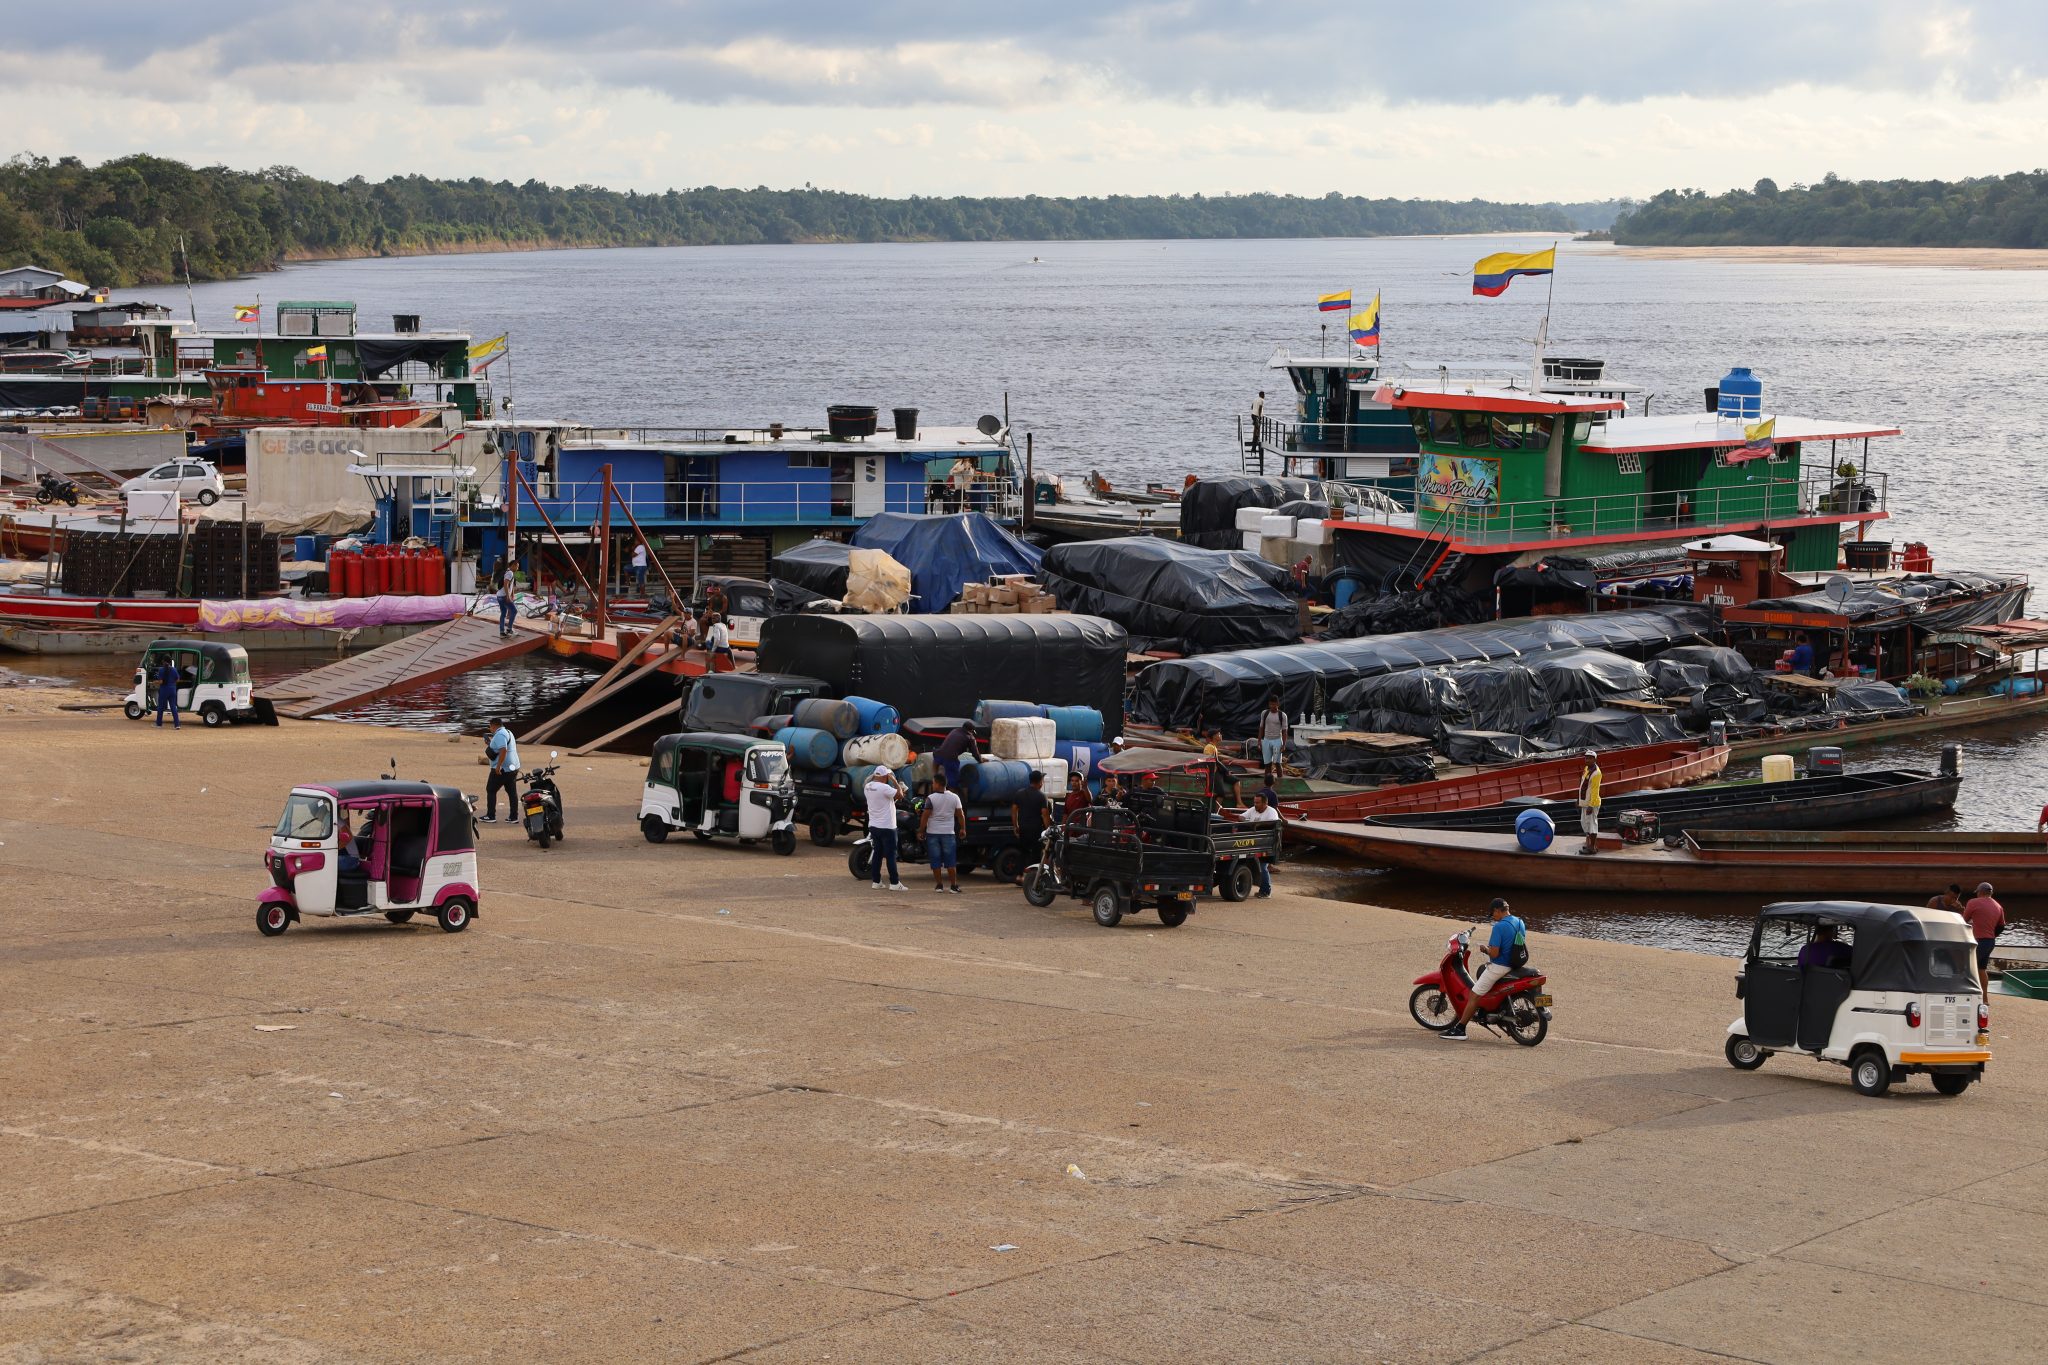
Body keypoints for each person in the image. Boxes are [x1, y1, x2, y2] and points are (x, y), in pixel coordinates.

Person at [1442, 898, 1526, 1040]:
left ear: (1497, 910)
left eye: (1492, 914)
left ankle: (1460, 1029)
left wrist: (1485, 949)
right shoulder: (1519, 922)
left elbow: (1494, 953)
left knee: (1474, 995)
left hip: (1500, 966)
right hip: (1515, 964)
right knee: (1482, 971)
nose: (1493, 917)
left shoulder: (1499, 927)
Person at [864, 768, 908, 891]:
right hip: (888, 827)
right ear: (885, 776)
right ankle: (894, 883)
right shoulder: (885, 788)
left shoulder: (868, 786)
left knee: (877, 854)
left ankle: (876, 881)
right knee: (891, 855)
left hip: (874, 825)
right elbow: (900, 795)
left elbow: (884, 800)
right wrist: (895, 781)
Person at [920, 769, 964, 894]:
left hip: (933, 833)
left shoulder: (931, 798)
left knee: (936, 860)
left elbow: (925, 816)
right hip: (948, 833)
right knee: (950, 861)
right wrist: (963, 828)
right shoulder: (955, 797)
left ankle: (939, 885)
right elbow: (960, 815)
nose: (932, 785)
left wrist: (921, 830)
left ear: (938, 784)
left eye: (933, 783)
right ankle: (953, 886)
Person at [1963, 882, 2007, 996]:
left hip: (1979, 942)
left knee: (1966, 967)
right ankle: (1985, 998)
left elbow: (1963, 920)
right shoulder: (1998, 906)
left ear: (1980, 892)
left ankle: (1967, 994)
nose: (1977, 894)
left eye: (1977, 892)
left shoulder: (1973, 902)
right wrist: (1991, 935)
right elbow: (2002, 926)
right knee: (1981, 969)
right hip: (1990, 942)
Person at [1010, 770, 1052, 884]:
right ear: (1040, 782)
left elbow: (1014, 811)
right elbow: (1045, 815)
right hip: (1036, 830)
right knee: (1036, 854)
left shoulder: (1019, 794)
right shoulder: (1041, 796)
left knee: (1023, 852)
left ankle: (1019, 876)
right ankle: (1031, 878)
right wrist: (1048, 830)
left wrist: (1015, 826)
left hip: (1023, 829)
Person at [1239, 791, 1281, 898]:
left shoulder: (1271, 812)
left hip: (1265, 844)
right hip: (1253, 843)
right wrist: (1245, 821)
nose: (1255, 804)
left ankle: (1266, 892)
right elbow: (1241, 816)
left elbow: (1273, 823)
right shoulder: (1253, 809)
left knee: (1262, 867)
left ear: (1265, 803)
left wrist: (1258, 825)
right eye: (1254, 802)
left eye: (1257, 803)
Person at [481, 717, 519, 824]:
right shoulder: (508, 732)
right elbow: (500, 748)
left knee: (491, 790)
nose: (490, 729)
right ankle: (513, 817)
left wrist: (498, 766)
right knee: (512, 792)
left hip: (503, 768)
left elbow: (503, 750)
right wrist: (490, 744)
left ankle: (491, 816)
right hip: (513, 767)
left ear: (494, 725)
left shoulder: (500, 734)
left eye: (490, 726)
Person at [935, 722, 978, 788]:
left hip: (938, 755)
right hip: (950, 759)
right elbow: (975, 753)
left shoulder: (954, 731)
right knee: (953, 782)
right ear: (971, 731)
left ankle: (934, 780)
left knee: (937, 771)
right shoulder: (970, 737)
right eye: (972, 732)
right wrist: (981, 760)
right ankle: (951, 792)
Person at [1576, 749, 1602, 855]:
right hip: (1585, 802)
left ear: (1595, 760)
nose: (1587, 760)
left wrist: (1591, 806)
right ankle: (1591, 845)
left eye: (1590, 758)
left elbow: (1595, 791)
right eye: (1586, 758)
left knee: (1592, 825)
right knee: (1585, 824)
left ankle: (1592, 848)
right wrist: (1578, 799)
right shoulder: (1587, 768)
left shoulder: (1596, 773)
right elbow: (1582, 784)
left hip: (1591, 803)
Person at [152, 655, 182, 729]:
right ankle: (177, 725)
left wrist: (154, 682)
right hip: (172, 690)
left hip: (164, 690)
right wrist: (172, 683)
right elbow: (178, 679)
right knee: (173, 707)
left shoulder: (161, 670)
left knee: (161, 707)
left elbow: (161, 682)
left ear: (163, 661)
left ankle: (159, 724)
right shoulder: (174, 669)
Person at [1257, 698, 1288, 767]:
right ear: (1269, 704)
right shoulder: (1264, 713)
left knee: (1278, 764)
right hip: (1266, 740)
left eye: (1274, 704)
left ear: (1278, 704)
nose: (1272, 706)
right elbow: (1261, 728)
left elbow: (1285, 731)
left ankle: (1279, 774)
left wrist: (1284, 745)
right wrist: (1259, 741)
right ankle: (1268, 774)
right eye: (1271, 704)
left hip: (1277, 741)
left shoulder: (1283, 715)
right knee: (1267, 764)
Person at [495, 563, 517, 639]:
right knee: (514, 611)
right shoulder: (510, 573)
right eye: (517, 566)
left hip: (499, 596)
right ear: (512, 566)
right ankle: (509, 629)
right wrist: (508, 596)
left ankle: (502, 632)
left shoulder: (507, 572)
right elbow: (506, 584)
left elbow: (511, 585)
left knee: (503, 613)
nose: (517, 568)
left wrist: (512, 594)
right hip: (504, 596)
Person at [1249, 390, 1265, 456]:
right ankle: (1254, 445)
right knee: (1257, 430)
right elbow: (1260, 408)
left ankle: (1255, 440)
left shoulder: (1255, 399)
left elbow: (1252, 407)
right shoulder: (1262, 400)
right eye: (1264, 395)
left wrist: (1254, 410)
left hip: (1253, 415)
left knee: (1256, 428)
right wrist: (1259, 416)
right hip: (1257, 416)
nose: (1264, 396)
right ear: (1262, 395)